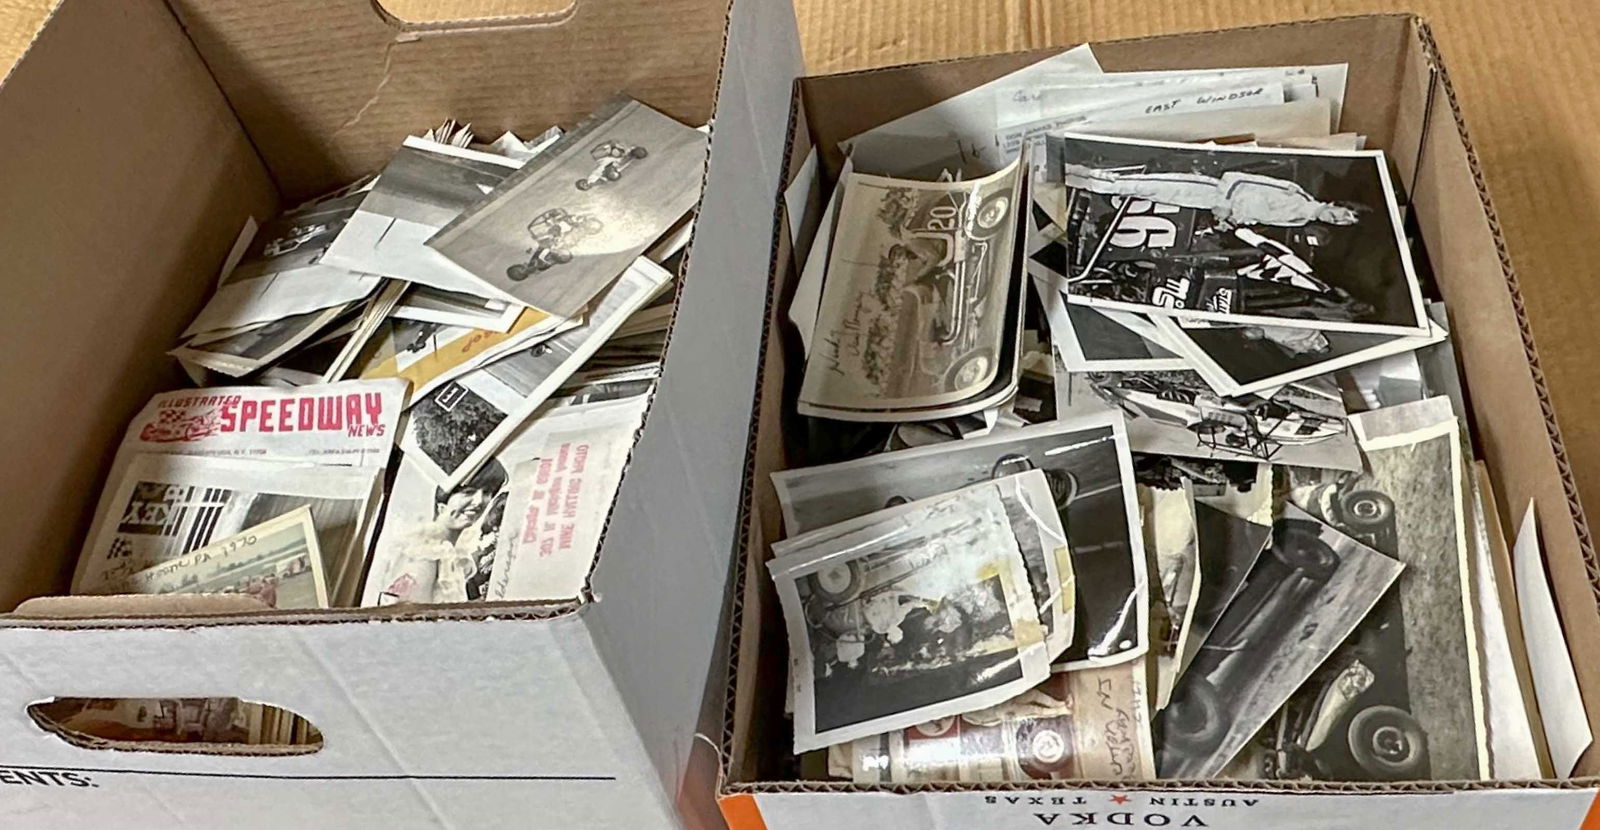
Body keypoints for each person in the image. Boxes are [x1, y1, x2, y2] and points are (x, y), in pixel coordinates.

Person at [1064, 163, 1361, 229]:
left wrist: (1232, 220)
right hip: (1210, 190)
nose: (1338, 219)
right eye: (1342, 214)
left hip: (1207, 204)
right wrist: (1226, 204)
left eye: (1343, 223)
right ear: (1335, 205)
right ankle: (1071, 170)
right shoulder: (1295, 193)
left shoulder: (1298, 220)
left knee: (1140, 192)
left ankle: (1077, 180)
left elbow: (1253, 214)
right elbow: (1240, 179)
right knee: (1136, 185)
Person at [378, 460, 507, 605]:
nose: (479, 501)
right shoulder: (426, 554)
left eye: (487, 492)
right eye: (468, 492)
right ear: (442, 501)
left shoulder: (451, 554)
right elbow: (409, 621)